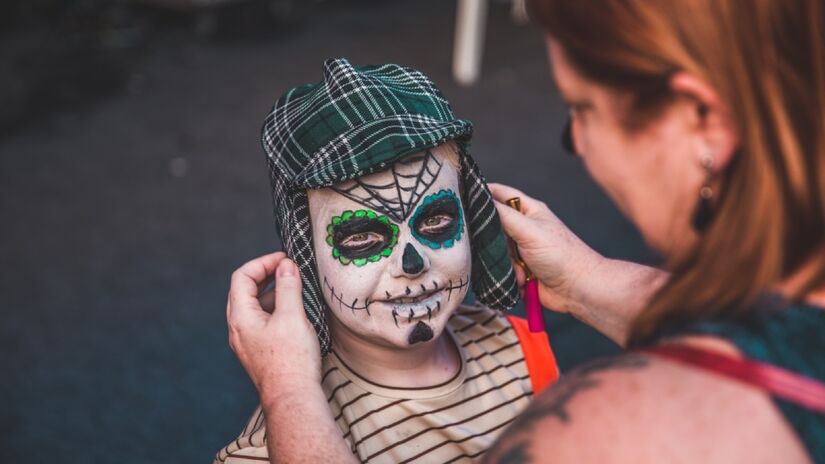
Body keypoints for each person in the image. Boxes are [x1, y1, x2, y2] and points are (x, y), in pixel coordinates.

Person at [226, 0, 825, 461]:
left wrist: (288, 398)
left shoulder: (543, 377)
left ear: (703, 120)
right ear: (301, 253)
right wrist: (589, 280)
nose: (579, 146)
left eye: (581, 110)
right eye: (361, 237)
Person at [217, 58, 559, 463]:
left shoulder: (519, 348)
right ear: (304, 259)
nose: (412, 263)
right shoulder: (269, 451)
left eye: (435, 220)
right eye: (361, 237)